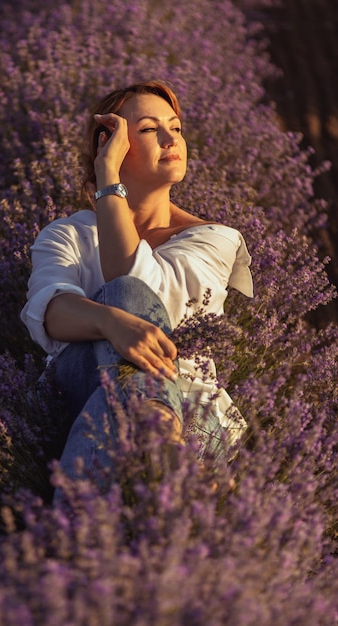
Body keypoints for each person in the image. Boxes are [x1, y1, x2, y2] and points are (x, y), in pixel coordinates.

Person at [21, 80, 253, 490]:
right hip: (78, 379)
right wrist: (113, 323)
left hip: (185, 400)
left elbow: (140, 288)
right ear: (110, 148)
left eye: (176, 128)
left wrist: (109, 186)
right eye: (149, 129)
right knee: (121, 307)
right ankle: (165, 448)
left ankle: (80, 529)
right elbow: (51, 311)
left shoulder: (217, 238)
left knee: (124, 322)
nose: (170, 138)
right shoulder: (66, 234)